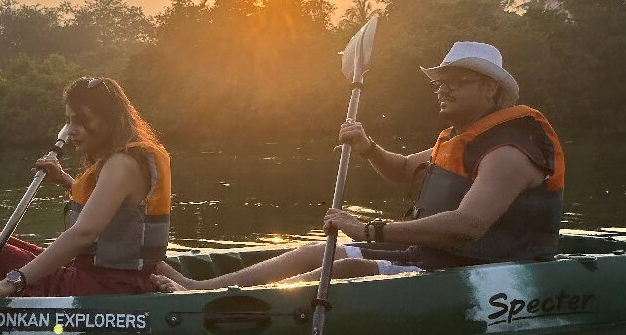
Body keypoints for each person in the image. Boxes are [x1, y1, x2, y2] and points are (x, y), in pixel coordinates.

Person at [153, 41, 564, 291]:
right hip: (441, 258)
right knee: (317, 250)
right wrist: (367, 147)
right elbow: (404, 170)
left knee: (347, 267)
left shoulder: (508, 153)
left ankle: (224, 304)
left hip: (486, 269)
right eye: (441, 80)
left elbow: (469, 225)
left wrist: (371, 230)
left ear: (491, 88)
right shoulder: (459, 139)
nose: (443, 87)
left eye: (457, 80)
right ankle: (199, 288)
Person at [0, 76, 171, 303]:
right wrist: (64, 180)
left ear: (109, 120)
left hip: (103, 290)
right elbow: (115, 215)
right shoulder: (126, 159)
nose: (71, 130)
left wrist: (10, 283)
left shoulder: (121, 163)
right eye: (69, 120)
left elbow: (84, 233)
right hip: (104, 280)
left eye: (81, 120)